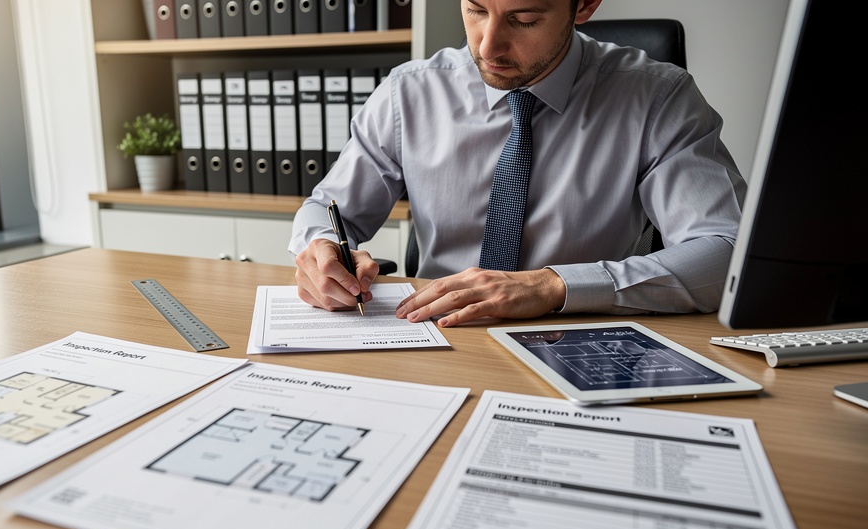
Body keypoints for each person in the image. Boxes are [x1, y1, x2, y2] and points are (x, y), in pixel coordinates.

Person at [289, 0, 745, 328]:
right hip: (432, 330)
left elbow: (727, 249)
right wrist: (322, 248)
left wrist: (553, 287)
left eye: (523, 19)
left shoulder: (657, 98)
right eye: (475, 10)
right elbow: (327, 208)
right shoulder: (408, 93)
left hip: (577, 334)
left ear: (583, 5)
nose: (488, 47)